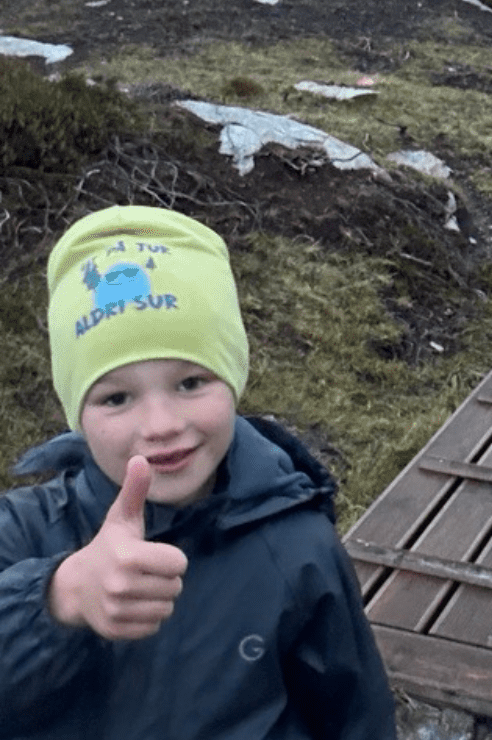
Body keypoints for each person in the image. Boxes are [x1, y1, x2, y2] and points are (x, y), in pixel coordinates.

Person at [0, 204, 398, 739]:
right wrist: (58, 597)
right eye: (116, 397)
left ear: (233, 379)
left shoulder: (298, 547)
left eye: (190, 383)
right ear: (76, 415)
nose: (161, 425)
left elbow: (355, 716)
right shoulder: (20, 532)